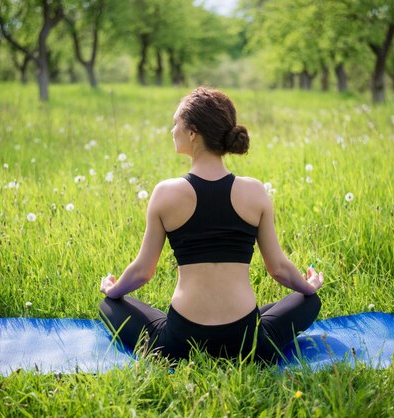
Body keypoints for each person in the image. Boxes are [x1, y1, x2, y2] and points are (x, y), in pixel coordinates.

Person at [99, 87, 323, 363]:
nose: (172, 130)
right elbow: (278, 269)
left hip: (181, 343)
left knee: (109, 304)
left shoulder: (165, 193)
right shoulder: (254, 191)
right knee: (309, 301)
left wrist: (113, 290)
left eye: (176, 123)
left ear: (192, 132)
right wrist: (308, 286)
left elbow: (143, 272)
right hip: (247, 342)